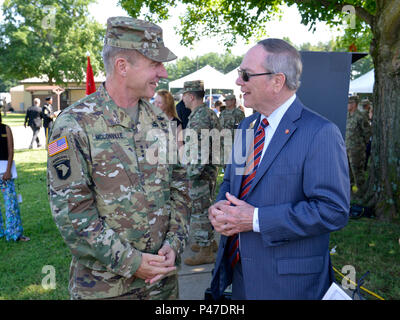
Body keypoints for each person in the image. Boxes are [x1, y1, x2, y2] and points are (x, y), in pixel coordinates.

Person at [47, 17, 191, 300]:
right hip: (106, 289)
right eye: (154, 64)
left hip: (162, 286)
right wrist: (133, 263)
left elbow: (181, 189)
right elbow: (72, 214)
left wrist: (175, 242)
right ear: (122, 66)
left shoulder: (161, 123)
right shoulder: (73, 125)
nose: (162, 72)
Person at [208, 38, 350, 300]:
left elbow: (334, 211)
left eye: (246, 74)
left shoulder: (320, 133)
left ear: (277, 81)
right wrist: (219, 208)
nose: (239, 82)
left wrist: (257, 219)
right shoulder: (246, 127)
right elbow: (230, 183)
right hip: (240, 275)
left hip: (288, 285)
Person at [182, 80, 222, 266]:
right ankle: (209, 241)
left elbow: (201, 149)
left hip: (201, 173)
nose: (182, 99)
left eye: (183, 95)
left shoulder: (200, 117)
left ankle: (205, 249)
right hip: (207, 170)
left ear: (190, 96)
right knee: (204, 208)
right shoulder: (205, 113)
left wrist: (191, 174)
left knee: (200, 211)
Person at [0, 113, 30, 242]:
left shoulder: (5, 128)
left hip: (5, 172)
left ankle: (14, 233)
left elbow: (11, 150)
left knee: (11, 203)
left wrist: (8, 170)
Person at [345, 95, 372, 196]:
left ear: (354, 104)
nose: (347, 105)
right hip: (346, 148)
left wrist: (361, 145)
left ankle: (362, 192)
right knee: (347, 170)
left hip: (357, 150)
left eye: (349, 103)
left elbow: (368, 132)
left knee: (357, 171)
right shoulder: (347, 115)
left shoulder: (360, 116)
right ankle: (351, 189)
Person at [154, 89, 184, 158]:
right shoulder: (150, 120)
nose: (156, 105)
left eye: (159, 103)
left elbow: (180, 145)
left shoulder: (175, 122)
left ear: (167, 104)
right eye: (155, 102)